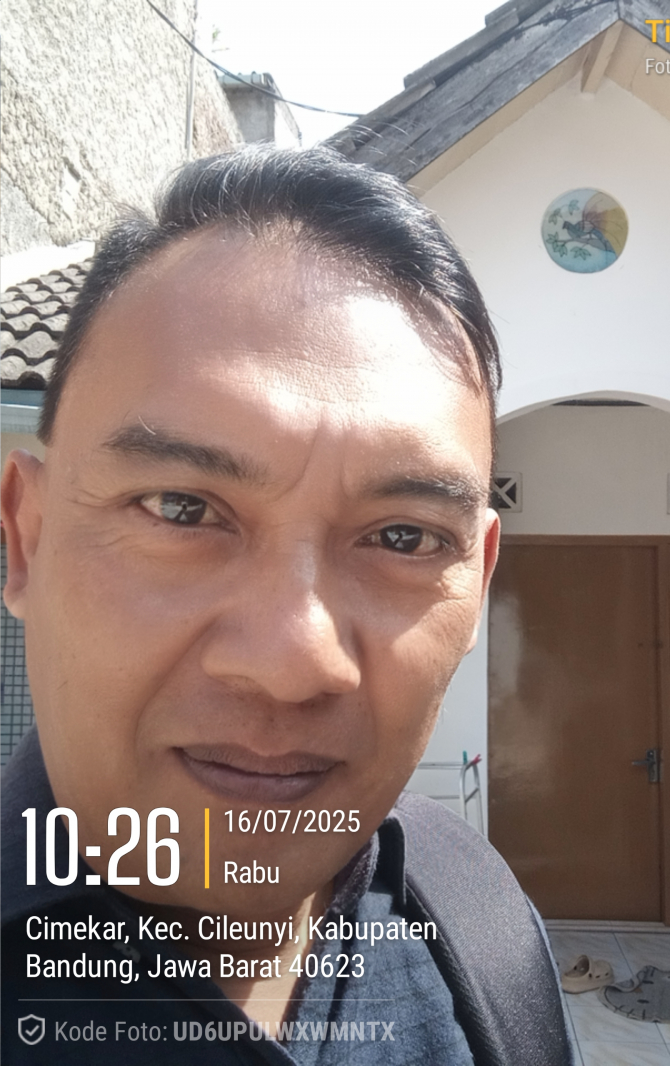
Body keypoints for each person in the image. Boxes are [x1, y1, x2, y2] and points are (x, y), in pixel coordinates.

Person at [1, 144, 571, 1064]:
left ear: (477, 585)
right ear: (26, 539)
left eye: (403, 537)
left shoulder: (482, 934)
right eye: (182, 509)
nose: (293, 663)